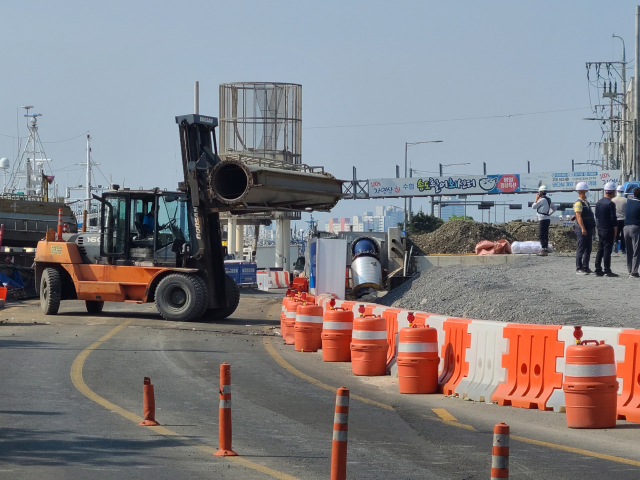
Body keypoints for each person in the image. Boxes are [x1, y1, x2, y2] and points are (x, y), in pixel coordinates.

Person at [594, 182, 619, 277]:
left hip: (600, 228)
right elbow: (613, 218)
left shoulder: (599, 202)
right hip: (608, 229)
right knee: (607, 250)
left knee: (600, 249)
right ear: (612, 192)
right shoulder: (610, 204)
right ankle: (607, 270)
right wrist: (615, 230)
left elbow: (596, 215)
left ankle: (597, 269)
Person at [573, 182, 596, 275]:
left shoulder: (586, 203)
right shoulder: (578, 203)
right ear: (581, 192)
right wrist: (582, 228)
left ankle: (586, 267)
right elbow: (578, 217)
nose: (587, 193)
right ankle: (579, 268)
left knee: (588, 248)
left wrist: (591, 227)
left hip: (589, 228)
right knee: (581, 248)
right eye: (585, 191)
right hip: (582, 229)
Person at [531, 184, 554, 256]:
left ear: (540, 192)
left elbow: (534, 207)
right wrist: (550, 213)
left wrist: (536, 199)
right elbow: (555, 208)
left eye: (539, 193)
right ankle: (545, 248)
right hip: (547, 219)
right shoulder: (548, 199)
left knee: (541, 235)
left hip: (542, 219)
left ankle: (543, 249)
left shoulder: (542, 200)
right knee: (545, 234)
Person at [624, 187, 640, 278]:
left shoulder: (628, 202)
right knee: (636, 250)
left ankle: (629, 270)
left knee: (629, 250)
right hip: (635, 228)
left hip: (626, 227)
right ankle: (634, 272)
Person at [612, 184, 627, 254]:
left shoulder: (612, 200)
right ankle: (623, 248)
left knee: (616, 234)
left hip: (615, 219)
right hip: (624, 219)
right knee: (623, 235)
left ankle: (615, 243)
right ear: (623, 191)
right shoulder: (626, 200)